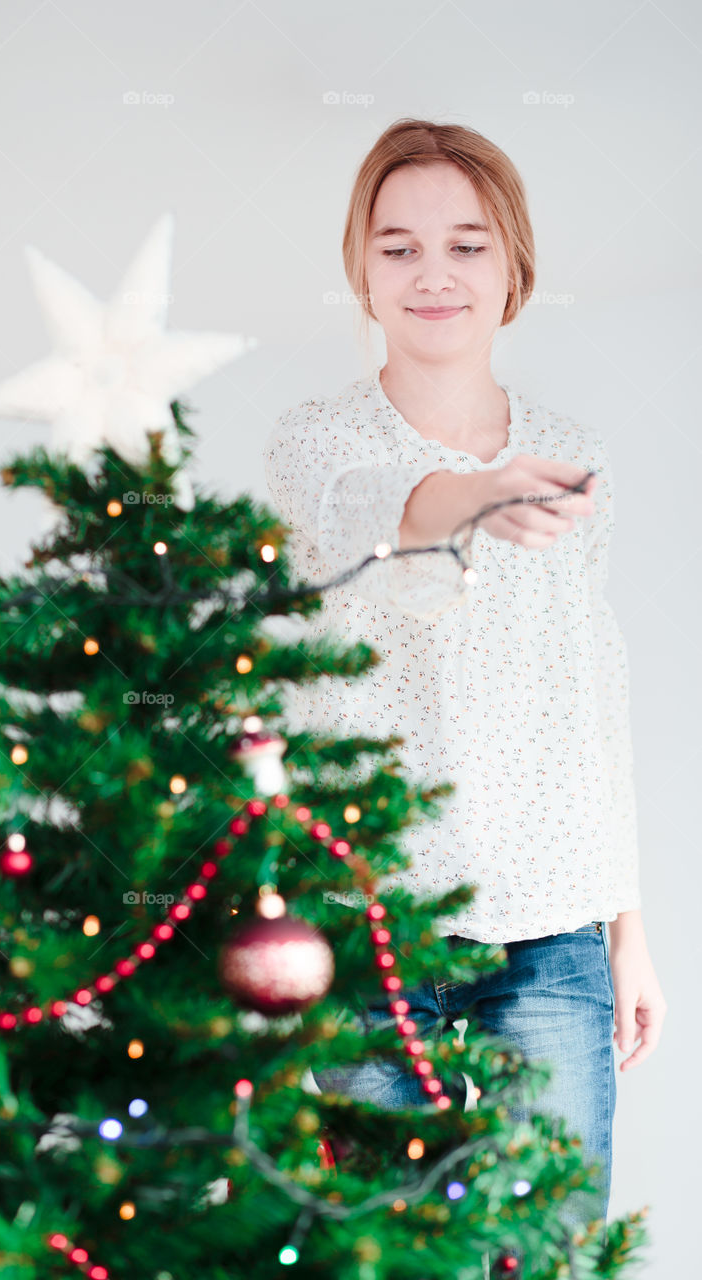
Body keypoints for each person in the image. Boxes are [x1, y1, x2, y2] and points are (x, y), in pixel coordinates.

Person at [263, 118, 667, 1242]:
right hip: (364, 925)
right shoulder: (313, 442)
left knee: (551, 1252)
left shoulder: (574, 455)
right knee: (377, 1255)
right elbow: (375, 516)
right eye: (397, 247)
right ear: (361, 269)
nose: (432, 273)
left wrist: (626, 929)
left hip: (549, 932)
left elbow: (595, 697)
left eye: (466, 244)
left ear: (513, 268)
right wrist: (469, 496)